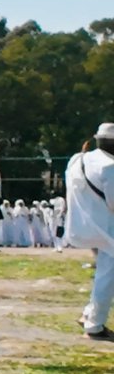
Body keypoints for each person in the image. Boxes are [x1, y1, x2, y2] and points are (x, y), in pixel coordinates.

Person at [65, 123, 114, 341]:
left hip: (79, 225)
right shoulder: (110, 166)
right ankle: (94, 326)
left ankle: (89, 314)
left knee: (105, 273)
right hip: (105, 229)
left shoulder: (78, 159)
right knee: (108, 276)